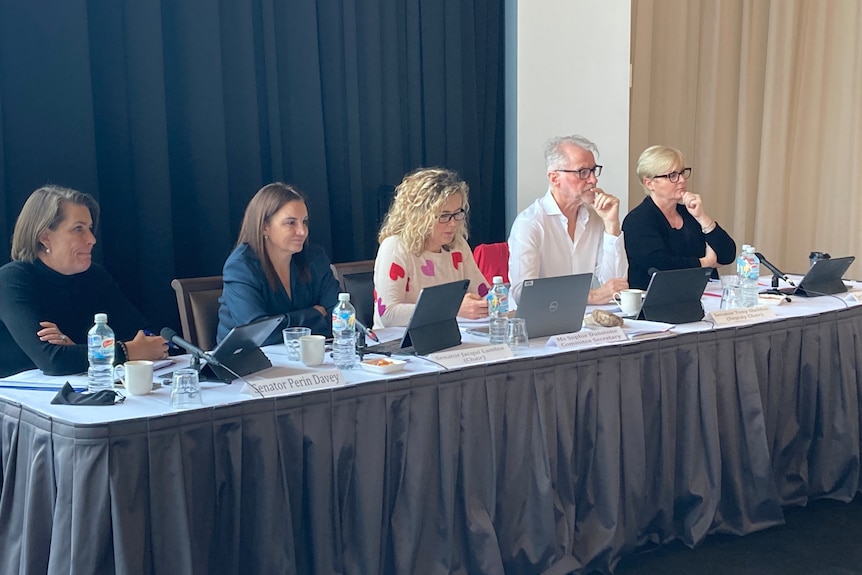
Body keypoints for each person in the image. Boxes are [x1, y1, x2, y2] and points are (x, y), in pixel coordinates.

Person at [0, 186, 168, 377]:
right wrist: (127, 351)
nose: (91, 239)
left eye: (89, 228)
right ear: (45, 237)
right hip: (15, 402)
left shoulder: (94, 276)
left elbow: (145, 336)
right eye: (78, 229)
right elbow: (53, 360)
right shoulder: (11, 280)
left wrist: (78, 351)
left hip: (79, 392)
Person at [508, 135, 629, 305]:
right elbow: (523, 293)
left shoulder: (595, 218)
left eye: (594, 171)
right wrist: (590, 297)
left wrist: (611, 226)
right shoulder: (530, 223)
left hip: (585, 323)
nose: (593, 179)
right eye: (583, 172)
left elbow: (617, 286)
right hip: (536, 324)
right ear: (554, 178)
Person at [217, 182, 340, 346]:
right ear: (264, 227)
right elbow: (258, 334)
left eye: (304, 221)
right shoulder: (241, 266)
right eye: (291, 223)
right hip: (245, 363)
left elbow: (340, 318)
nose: (302, 231)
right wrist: (315, 314)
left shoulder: (315, 257)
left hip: (303, 359)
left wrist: (284, 324)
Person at [373, 167, 489, 328]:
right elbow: (388, 314)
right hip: (398, 345)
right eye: (444, 215)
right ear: (419, 216)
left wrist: (498, 301)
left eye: (457, 213)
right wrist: (453, 308)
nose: (454, 222)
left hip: (444, 339)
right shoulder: (395, 246)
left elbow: (483, 292)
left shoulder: (457, 245)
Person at [622, 145, 736, 289]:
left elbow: (727, 255)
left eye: (682, 173)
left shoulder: (689, 214)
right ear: (649, 183)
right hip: (656, 301)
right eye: (672, 176)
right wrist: (706, 262)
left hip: (700, 296)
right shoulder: (637, 221)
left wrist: (702, 217)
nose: (682, 180)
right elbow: (661, 266)